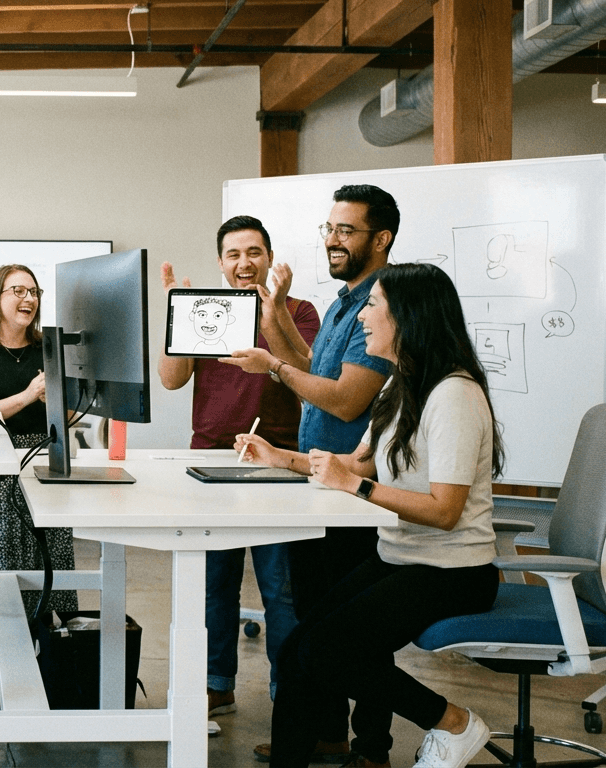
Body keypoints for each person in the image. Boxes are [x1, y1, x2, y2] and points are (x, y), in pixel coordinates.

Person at [235, 262, 503, 768]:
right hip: (400, 556)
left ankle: (453, 721)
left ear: (408, 317)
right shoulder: (401, 386)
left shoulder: (454, 395)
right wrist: (280, 457)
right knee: (296, 651)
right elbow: (357, 463)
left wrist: (356, 486)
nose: (363, 316)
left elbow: (445, 511)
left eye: (374, 305)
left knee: (325, 650)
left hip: (454, 572)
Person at [226, 184, 397, 766]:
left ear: (381, 239)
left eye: (346, 230)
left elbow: (346, 400)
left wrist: (273, 367)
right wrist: (275, 315)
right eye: (329, 229)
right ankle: (328, 734)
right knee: (316, 619)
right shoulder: (346, 301)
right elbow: (307, 365)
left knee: (358, 631)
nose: (333, 240)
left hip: (353, 493)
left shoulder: (382, 305)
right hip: (319, 486)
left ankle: (372, 748)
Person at [158, 215, 320, 718]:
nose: (244, 262)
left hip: (279, 464)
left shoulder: (298, 310)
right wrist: (176, 315)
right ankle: (216, 685)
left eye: (254, 252)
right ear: (221, 262)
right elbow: (171, 379)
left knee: (282, 590)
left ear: (268, 257)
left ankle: (288, 696)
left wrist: (274, 317)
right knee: (213, 584)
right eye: (234, 254)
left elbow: (311, 371)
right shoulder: (207, 309)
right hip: (208, 459)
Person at [0, 263, 78, 711]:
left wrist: (58, 398)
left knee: (46, 573)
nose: (28, 299)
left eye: (34, 291)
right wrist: (26, 396)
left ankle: (42, 674)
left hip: (44, 464)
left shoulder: (48, 348)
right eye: (17, 290)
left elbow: (70, 413)